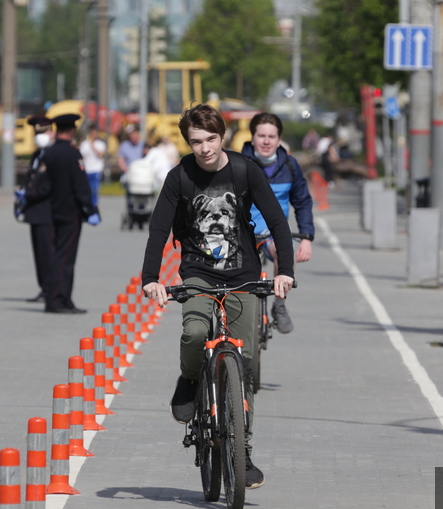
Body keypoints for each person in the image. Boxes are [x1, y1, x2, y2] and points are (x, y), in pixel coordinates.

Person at [141, 104, 295, 490]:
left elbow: (277, 221)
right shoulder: (180, 177)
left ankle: (242, 454)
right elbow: (159, 230)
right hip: (197, 272)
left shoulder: (245, 171)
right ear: (187, 142)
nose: (205, 148)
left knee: (241, 366)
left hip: (244, 275)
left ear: (222, 136)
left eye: (211, 139)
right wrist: (150, 279)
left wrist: (284, 272)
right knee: (194, 332)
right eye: (196, 141)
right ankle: (191, 379)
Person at [241, 112, 315, 334]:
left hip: (273, 231)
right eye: (261, 135)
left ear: (279, 139)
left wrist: (307, 238)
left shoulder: (290, 166)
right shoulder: (238, 163)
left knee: (285, 253)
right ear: (252, 137)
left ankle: (280, 306)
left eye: (271, 136)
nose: (266, 141)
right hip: (243, 229)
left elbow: (302, 202)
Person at [40, 113, 100, 314]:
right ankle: (57, 300)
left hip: (53, 210)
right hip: (70, 211)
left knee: (59, 254)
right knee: (65, 258)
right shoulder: (73, 154)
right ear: (72, 130)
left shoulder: (49, 152)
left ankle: (63, 298)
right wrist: (90, 209)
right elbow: (80, 185)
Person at [21, 116, 55, 304]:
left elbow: (49, 184)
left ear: (51, 132)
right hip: (35, 211)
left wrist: (31, 193)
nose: (38, 136)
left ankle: (51, 288)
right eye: (36, 133)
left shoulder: (53, 154)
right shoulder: (38, 154)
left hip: (47, 210)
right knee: (39, 254)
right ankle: (44, 288)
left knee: (48, 252)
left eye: (41, 132)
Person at [79, 123, 106, 206]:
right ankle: (88, 203)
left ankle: (94, 204)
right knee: (87, 189)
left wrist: (93, 146)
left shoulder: (101, 144)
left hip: (96, 169)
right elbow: (81, 157)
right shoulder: (84, 144)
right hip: (87, 170)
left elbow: (101, 154)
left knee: (94, 189)